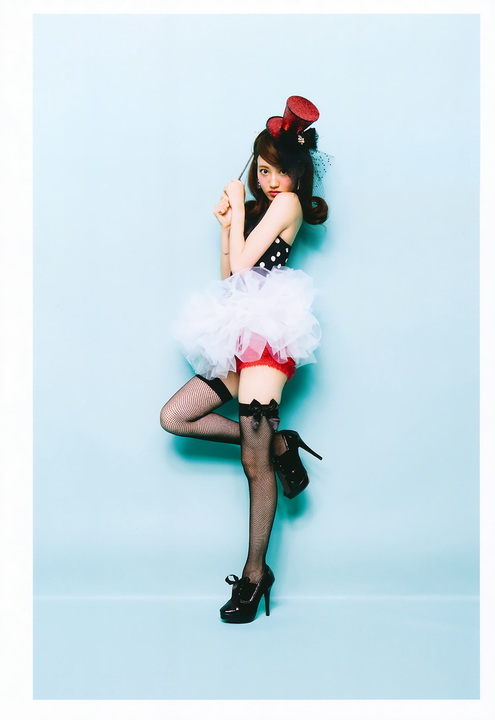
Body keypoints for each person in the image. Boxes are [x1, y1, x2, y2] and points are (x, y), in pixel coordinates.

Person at [160, 96, 329, 623]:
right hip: (240, 328)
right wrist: (227, 223)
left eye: (280, 171)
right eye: (262, 171)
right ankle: (279, 443)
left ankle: (256, 575)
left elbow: (241, 272)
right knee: (175, 417)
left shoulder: (289, 205)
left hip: (269, 332)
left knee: (254, 467)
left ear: (297, 174)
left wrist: (237, 206)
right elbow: (229, 279)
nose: (270, 181)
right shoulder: (264, 209)